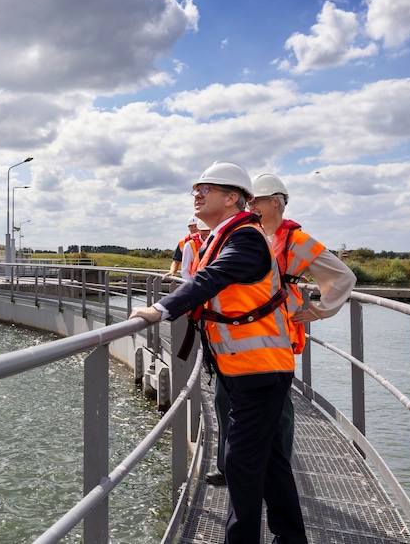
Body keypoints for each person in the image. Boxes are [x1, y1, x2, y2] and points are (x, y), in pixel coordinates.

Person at [130, 160, 307, 544]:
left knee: (241, 463)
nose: (196, 194)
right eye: (195, 189)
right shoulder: (225, 236)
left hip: (258, 369)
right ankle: (290, 537)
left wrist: (160, 309)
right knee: (271, 460)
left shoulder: (244, 238)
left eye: (205, 189)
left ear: (231, 198)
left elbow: (212, 278)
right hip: (247, 367)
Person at [250, 173, 357, 461]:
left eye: (256, 201)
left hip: (277, 330)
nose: (251, 207)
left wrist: (319, 311)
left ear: (276, 203)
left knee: (279, 402)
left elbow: (344, 276)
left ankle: (280, 465)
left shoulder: (298, 241)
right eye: (249, 202)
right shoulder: (252, 234)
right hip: (247, 329)